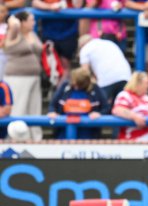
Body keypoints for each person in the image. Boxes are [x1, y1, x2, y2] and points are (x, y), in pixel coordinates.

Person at [3, 11, 43, 141]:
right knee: (18, 109)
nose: (34, 23)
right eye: (31, 20)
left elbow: (39, 49)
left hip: (34, 76)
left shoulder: (32, 34)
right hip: (17, 77)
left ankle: (35, 139)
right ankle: (16, 138)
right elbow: (14, 25)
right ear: (23, 22)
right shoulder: (14, 32)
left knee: (34, 110)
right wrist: (14, 18)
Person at [47, 67, 109, 139]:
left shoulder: (95, 88)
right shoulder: (65, 86)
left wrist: (99, 113)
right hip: (63, 132)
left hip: (89, 134)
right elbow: (52, 104)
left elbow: (106, 107)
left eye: (77, 83)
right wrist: (52, 111)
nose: (74, 84)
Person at [78, 34, 132, 106]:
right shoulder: (109, 43)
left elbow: (84, 73)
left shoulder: (85, 49)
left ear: (81, 45)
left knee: (99, 106)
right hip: (126, 76)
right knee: (121, 105)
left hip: (107, 79)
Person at [112, 71, 148, 141]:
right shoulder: (125, 95)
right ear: (138, 83)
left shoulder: (146, 98)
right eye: (147, 83)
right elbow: (117, 110)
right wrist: (134, 117)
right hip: (134, 138)